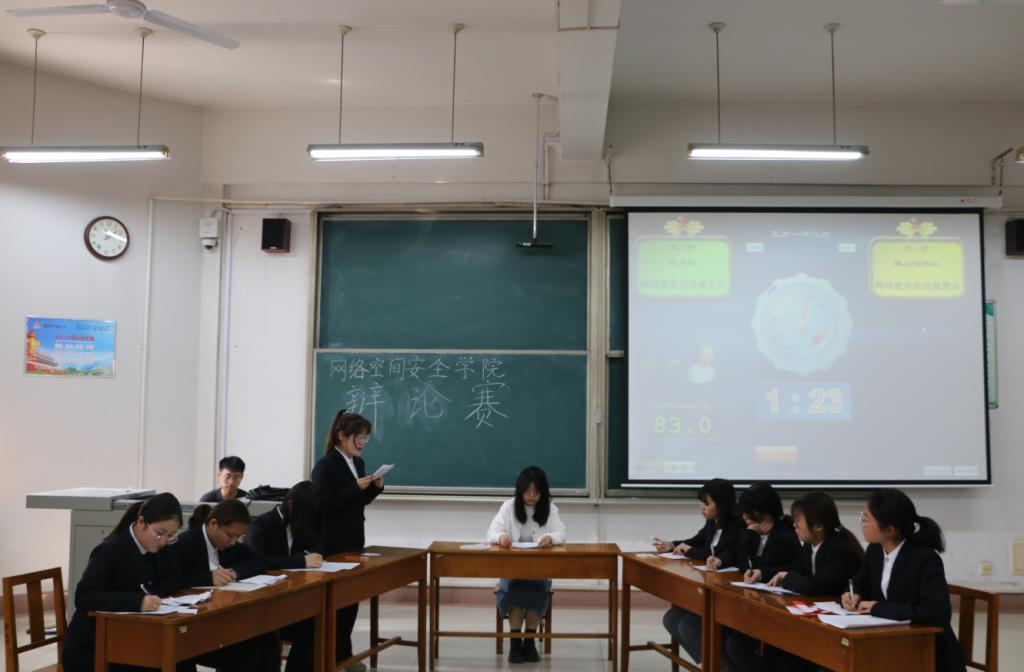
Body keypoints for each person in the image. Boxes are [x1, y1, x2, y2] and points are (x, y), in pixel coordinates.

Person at [843, 489, 967, 672]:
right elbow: (862, 582)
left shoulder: (925, 558)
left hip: (927, 651)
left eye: (867, 519)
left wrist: (879, 608)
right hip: (889, 642)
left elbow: (936, 613)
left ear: (890, 530)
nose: (862, 523)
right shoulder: (875, 550)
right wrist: (853, 594)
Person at [61, 493, 184, 672]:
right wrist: (137, 601)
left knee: (181, 659)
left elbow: (174, 579)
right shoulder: (109, 551)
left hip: (132, 635)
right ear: (141, 522)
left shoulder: (160, 547)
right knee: (160, 662)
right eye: (160, 534)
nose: (164, 541)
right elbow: (84, 597)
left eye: (171, 535)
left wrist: (150, 594)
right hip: (93, 645)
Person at [753, 491, 865, 672]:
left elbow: (814, 586)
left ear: (818, 526)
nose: (794, 525)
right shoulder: (809, 544)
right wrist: (762, 573)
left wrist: (786, 577)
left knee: (786, 655)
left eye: (798, 520)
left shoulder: (840, 550)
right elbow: (793, 570)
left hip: (837, 626)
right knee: (774, 643)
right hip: (815, 620)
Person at [167, 499, 279, 672]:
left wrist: (234, 572)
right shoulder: (184, 544)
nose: (233, 542)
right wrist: (208, 578)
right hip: (194, 627)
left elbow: (259, 561)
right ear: (213, 524)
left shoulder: (229, 545)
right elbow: (173, 582)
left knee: (267, 640)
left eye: (237, 537)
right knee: (247, 652)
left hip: (224, 618)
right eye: (230, 535)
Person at [311, 409, 384, 672]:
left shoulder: (358, 463)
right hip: (334, 543)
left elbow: (358, 502)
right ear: (342, 436)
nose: (362, 442)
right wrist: (354, 488)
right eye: (358, 437)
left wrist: (375, 489)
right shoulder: (326, 465)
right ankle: (332, 658)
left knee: (350, 602)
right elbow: (323, 507)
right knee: (336, 605)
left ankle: (344, 655)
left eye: (365, 437)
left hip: (354, 540)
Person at [656, 478, 744, 666]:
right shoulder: (713, 522)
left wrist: (689, 550)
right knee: (671, 619)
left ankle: (720, 666)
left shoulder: (738, 526)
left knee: (687, 626)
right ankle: (710, 663)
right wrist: (672, 545)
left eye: (706, 503)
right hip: (707, 583)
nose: (702, 507)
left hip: (727, 591)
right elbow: (696, 541)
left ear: (722, 505)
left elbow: (719, 554)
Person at [486, 466, 566, 664]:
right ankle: (515, 642)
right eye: (527, 491)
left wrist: (550, 538)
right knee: (513, 588)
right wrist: (501, 536)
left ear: (543, 492)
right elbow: (491, 533)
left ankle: (529, 642)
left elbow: (561, 533)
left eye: (536, 492)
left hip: (539, 569)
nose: (531, 496)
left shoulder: (550, 508)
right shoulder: (508, 507)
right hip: (511, 568)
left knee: (537, 589)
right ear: (520, 490)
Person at [246, 480, 325, 672]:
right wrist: (301, 561)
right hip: (264, 602)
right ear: (290, 505)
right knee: (268, 641)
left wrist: (314, 554)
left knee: (315, 628)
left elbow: (318, 545)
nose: (309, 522)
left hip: (291, 599)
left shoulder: (300, 523)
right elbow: (258, 561)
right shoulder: (263, 524)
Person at [723, 483, 801, 672]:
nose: (743, 517)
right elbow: (742, 561)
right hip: (757, 600)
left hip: (778, 607)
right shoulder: (755, 529)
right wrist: (750, 533)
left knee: (735, 643)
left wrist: (749, 535)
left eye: (748, 513)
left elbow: (749, 565)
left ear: (764, 515)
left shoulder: (784, 535)